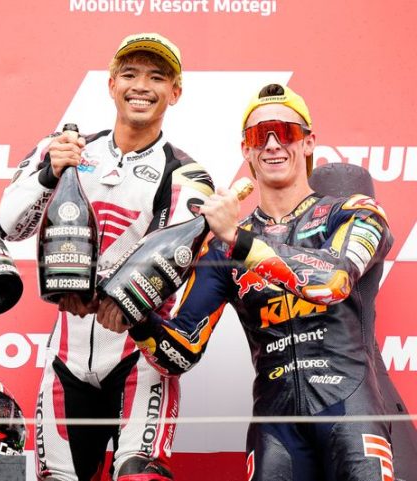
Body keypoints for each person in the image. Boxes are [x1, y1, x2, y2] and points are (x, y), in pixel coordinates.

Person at [102, 83, 397, 480]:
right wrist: (135, 317)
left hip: (351, 414)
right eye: (260, 136)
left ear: (309, 143)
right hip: (276, 427)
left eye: (285, 132)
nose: (273, 144)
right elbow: (180, 354)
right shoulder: (221, 248)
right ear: (246, 150)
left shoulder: (354, 212)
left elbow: (332, 281)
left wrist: (240, 241)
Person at [0, 34, 214, 481]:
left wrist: (107, 295)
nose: (142, 86)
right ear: (112, 84)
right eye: (130, 74)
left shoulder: (187, 174)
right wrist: (48, 173)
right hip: (66, 358)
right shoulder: (62, 148)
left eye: (157, 77)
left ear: (175, 92)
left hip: (139, 358)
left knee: (139, 476)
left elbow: (169, 268)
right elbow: (7, 226)